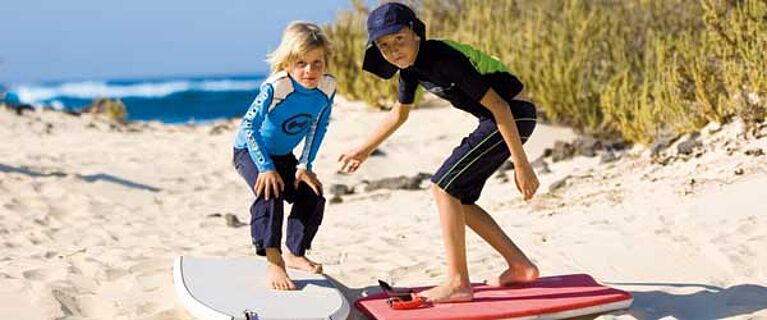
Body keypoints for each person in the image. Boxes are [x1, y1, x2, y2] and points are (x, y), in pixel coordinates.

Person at [338, 3, 540, 303]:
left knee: (443, 187)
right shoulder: (409, 70)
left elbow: (499, 106)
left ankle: (458, 283)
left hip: (512, 113)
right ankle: (520, 265)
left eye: (398, 39)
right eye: (384, 46)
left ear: (415, 33)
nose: (394, 50)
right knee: (458, 199)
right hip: (500, 118)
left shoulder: (442, 58)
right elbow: (398, 115)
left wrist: (522, 164)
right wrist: (364, 149)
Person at [233, 21, 335, 291]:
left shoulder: (327, 87)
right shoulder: (277, 86)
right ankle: (274, 259)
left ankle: (294, 252)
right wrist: (265, 167)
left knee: (311, 194)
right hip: (250, 151)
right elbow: (248, 126)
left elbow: (319, 125)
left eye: (317, 63)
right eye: (301, 63)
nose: (310, 70)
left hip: (283, 155)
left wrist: (305, 165)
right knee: (271, 190)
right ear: (288, 63)